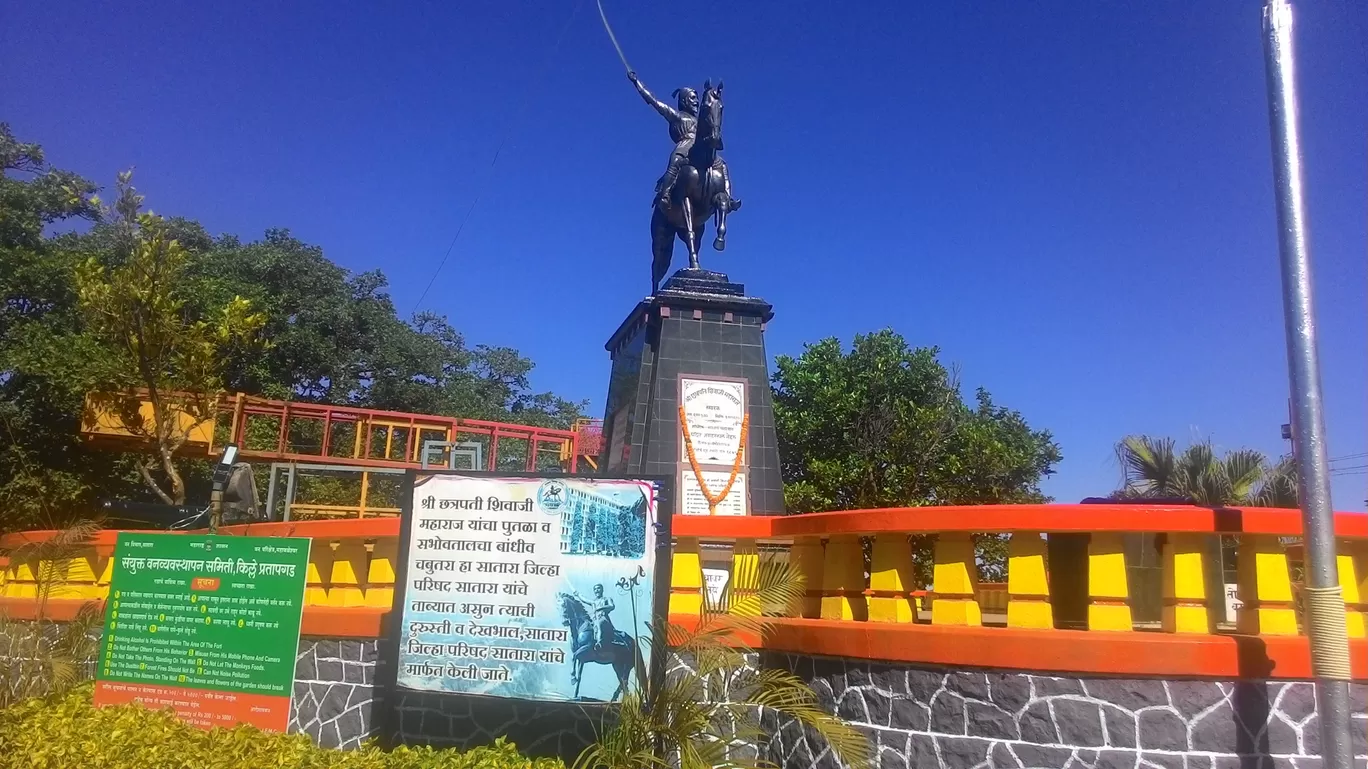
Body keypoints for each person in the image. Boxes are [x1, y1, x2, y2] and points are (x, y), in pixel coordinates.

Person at [629, 72, 697, 210]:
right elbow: (654, 101)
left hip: (699, 149)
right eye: (693, 98)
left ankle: (726, 197)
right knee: (675, 162)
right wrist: (637, 83)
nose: (696, 101)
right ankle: (665, 194)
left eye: (697, 99)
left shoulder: (699, 121)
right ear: (684, 101)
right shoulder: (677, 116)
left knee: (722, 166)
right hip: (684, 147)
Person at [576, 584, 616, 651]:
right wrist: (578, 595)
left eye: (598, 588)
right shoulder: (593, 602)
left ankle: (599, 642)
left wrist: (601, 608)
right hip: (594, 619)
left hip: (603, 618)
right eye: (595, 589)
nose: (597, 590)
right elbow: (584, 600)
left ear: (602, 590)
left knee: (599, 623)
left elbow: (612, 606)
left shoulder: (606, 599)